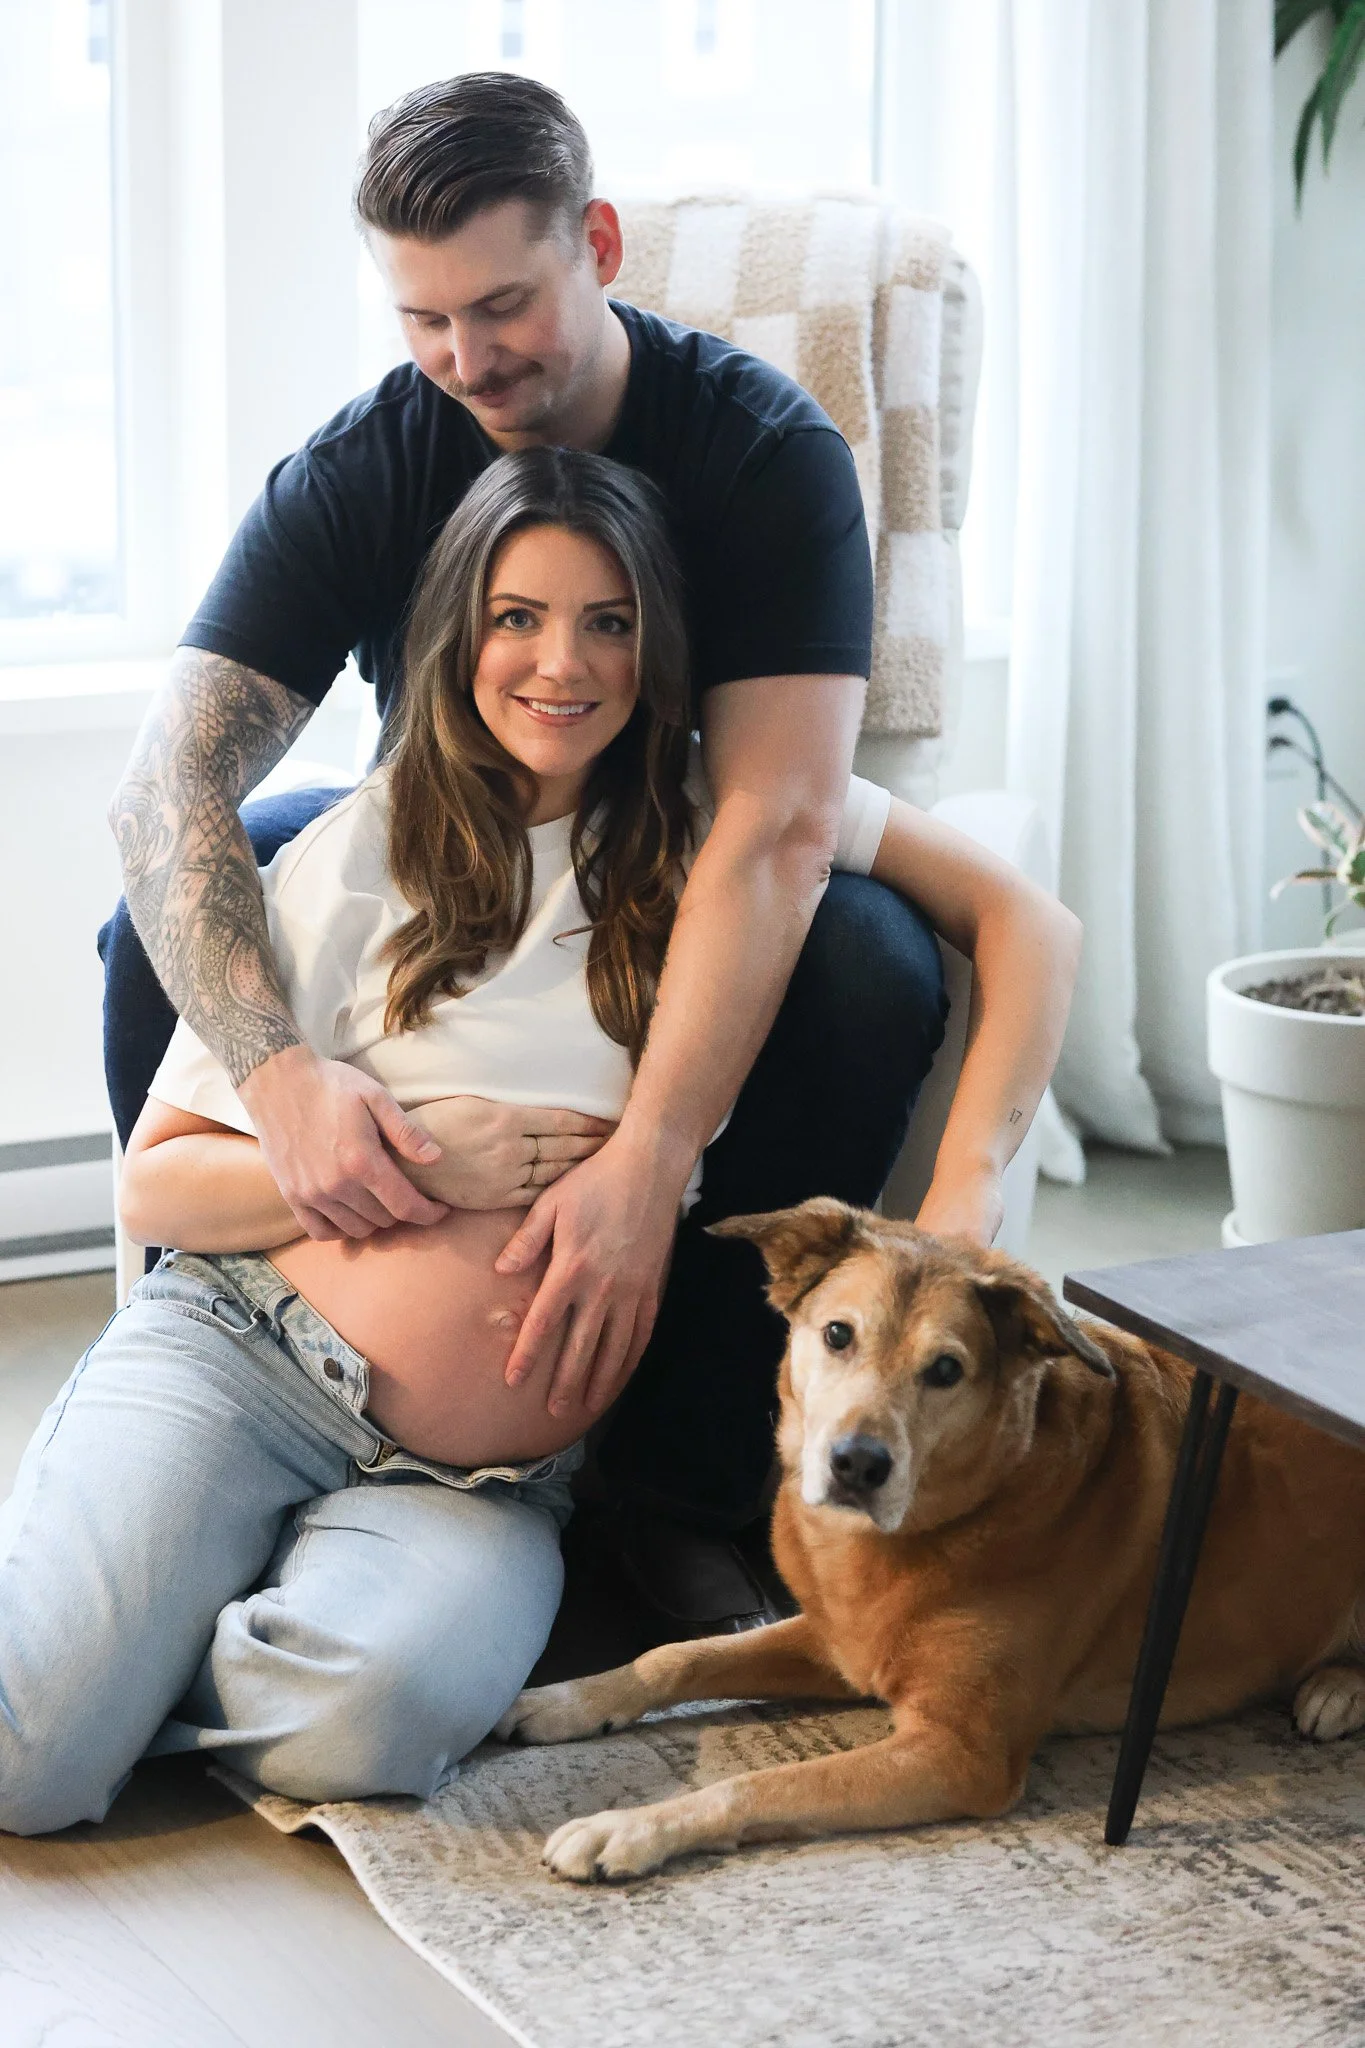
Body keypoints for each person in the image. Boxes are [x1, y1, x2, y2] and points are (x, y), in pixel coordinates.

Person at [1, 449, 1079, 1835]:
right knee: (29, 1766)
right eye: (517, 616)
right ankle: (108, 1638)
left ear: (656, 644)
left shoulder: (734, 824)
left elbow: (1030, 925)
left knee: (363, 1727)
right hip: (246, 1356)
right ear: (462, 636)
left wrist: (963, 1195)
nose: (561, 663)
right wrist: (418, 1164)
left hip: (487, 1482)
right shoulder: (363, 848)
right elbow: (158, 1186)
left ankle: (151, 1634)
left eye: (608, 622)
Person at [102, 71, 1003, 1628]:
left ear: (599, 245)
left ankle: (676, 1491)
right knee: (169, 913)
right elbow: (163, 787)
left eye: (503, 305)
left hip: (675, 859)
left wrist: (650, 1159)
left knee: (868, 962)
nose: (468, 359)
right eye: (425, 320)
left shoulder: (762, 455)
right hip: (452, 842)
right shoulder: (370, 462)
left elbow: (779, 826)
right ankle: (205, 1373)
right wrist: (284, 1083)